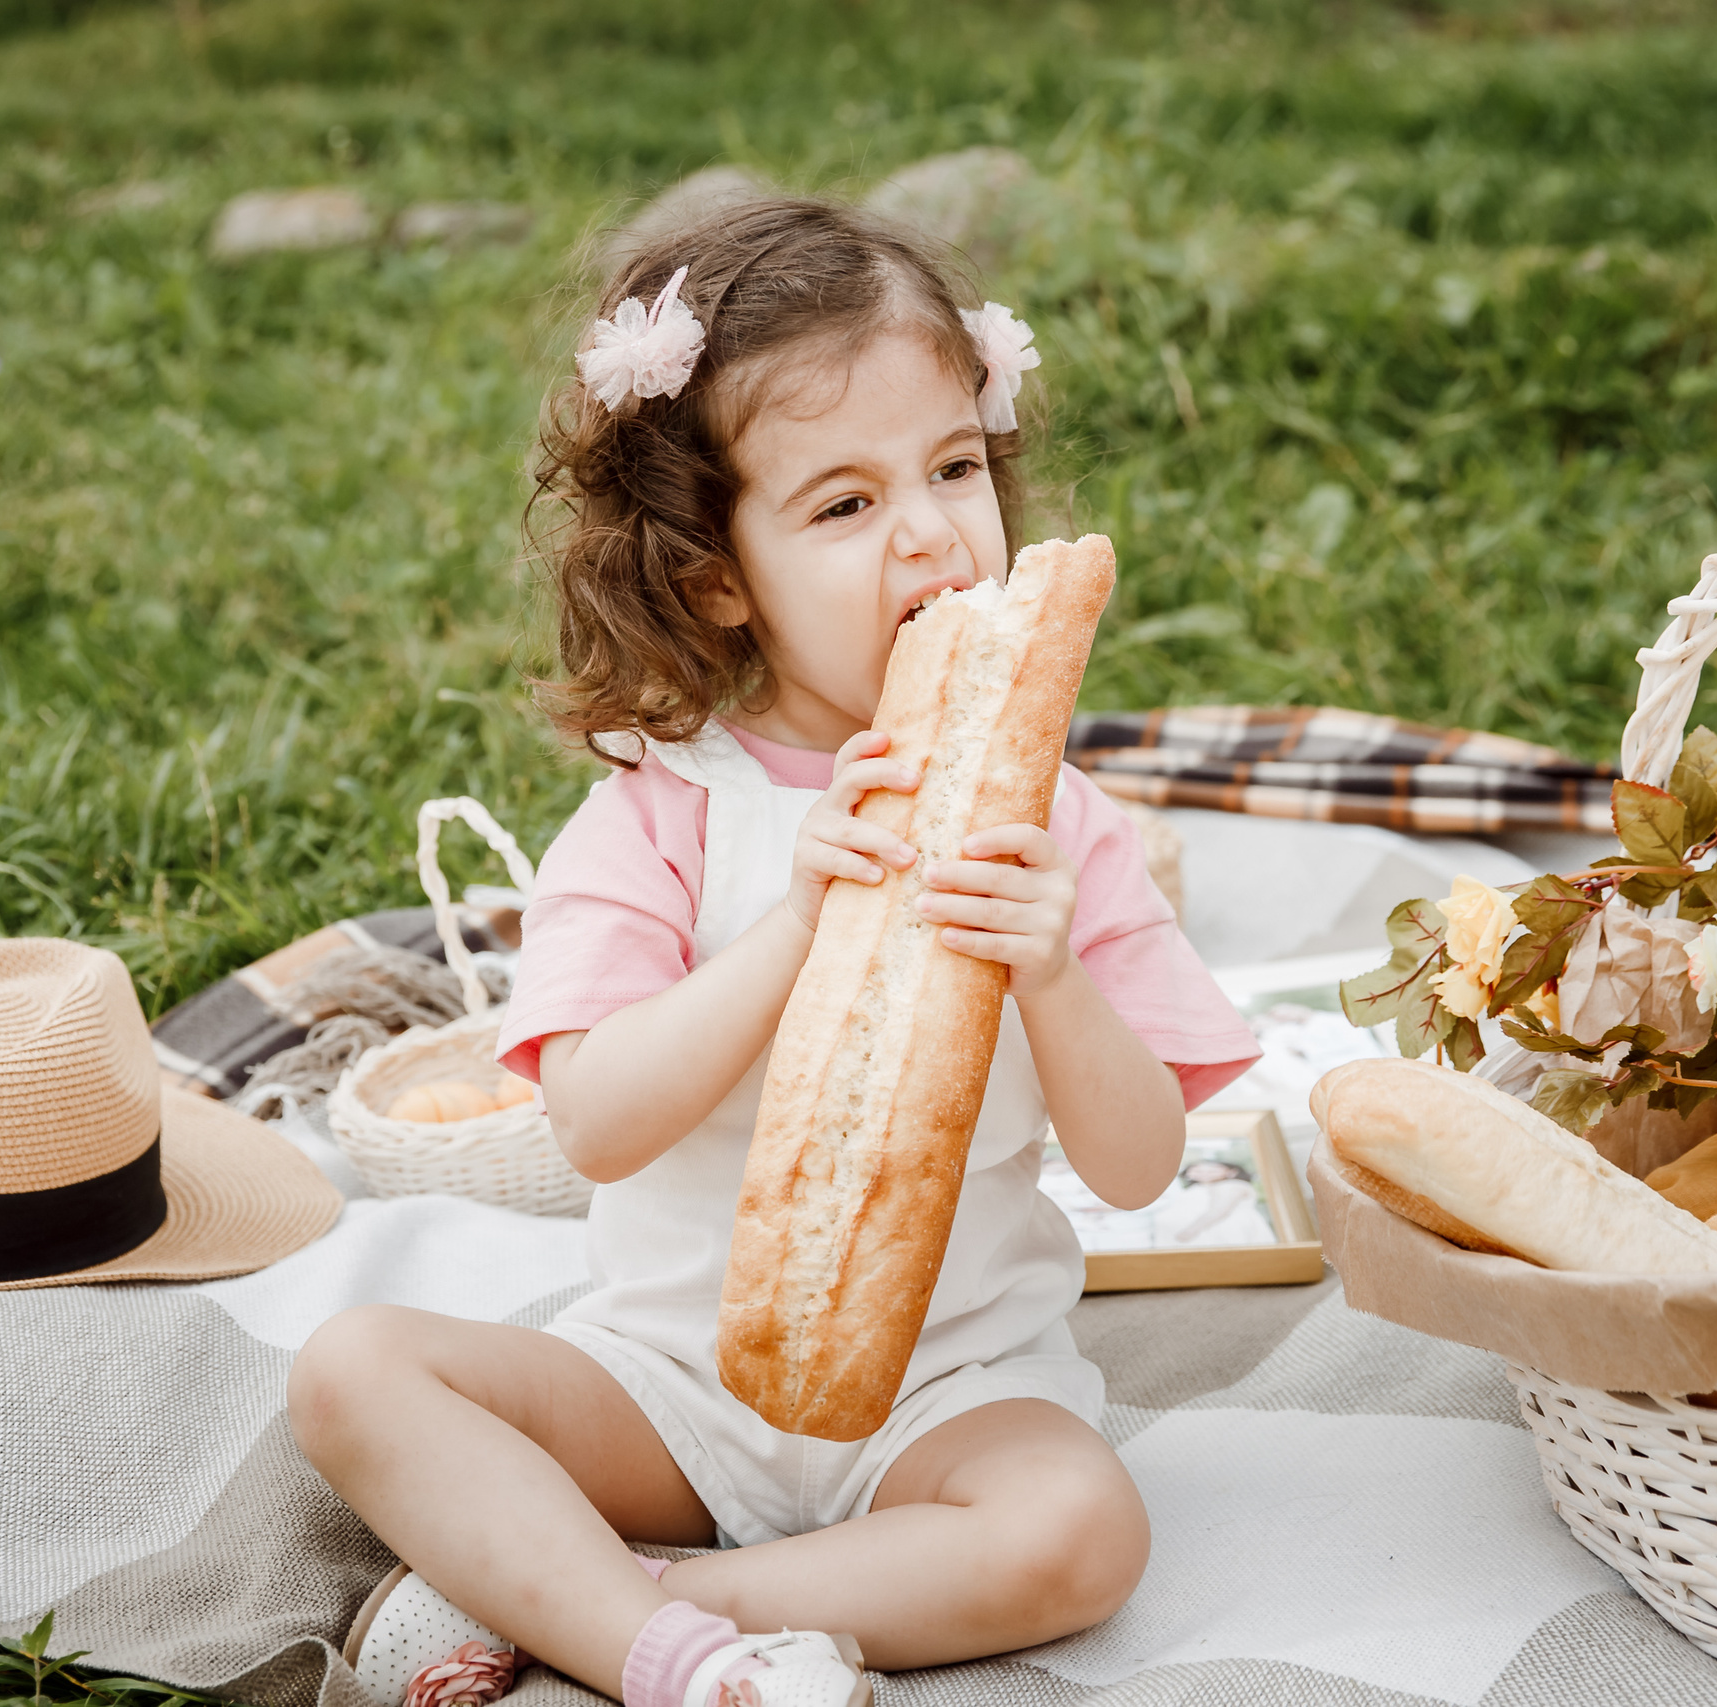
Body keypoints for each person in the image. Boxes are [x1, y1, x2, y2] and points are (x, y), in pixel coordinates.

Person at [288, 198, 1258, 1707]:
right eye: (845, 504)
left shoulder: (1059, 824)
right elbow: (597, 1124)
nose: (930, 531)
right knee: (353, 1371)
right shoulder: (661, 812)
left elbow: (1138, 1168)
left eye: (954, 468)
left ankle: (627, 1612)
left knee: (1083, 1534)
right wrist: (796, 927)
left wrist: (1056, 976)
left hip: (952, 1396)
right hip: (670, 1388)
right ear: (718, 577)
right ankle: (663, 1638)